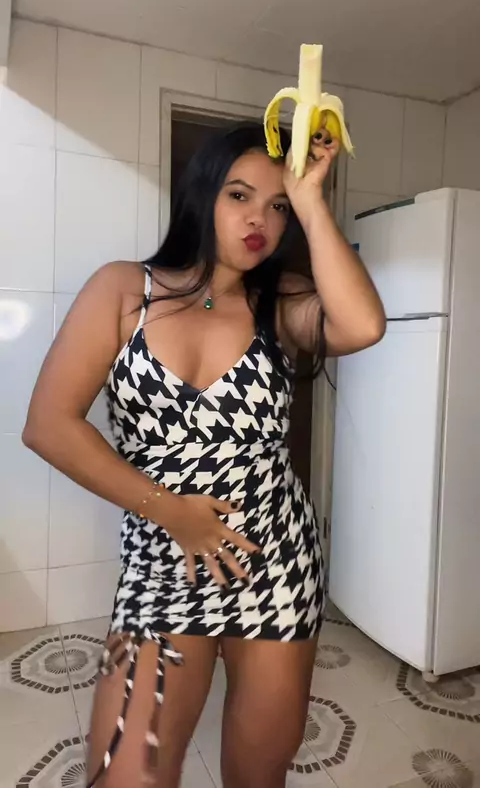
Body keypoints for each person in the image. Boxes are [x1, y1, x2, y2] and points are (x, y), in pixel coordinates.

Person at [23, 122, 385, 788]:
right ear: (202, 195)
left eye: (277, 206)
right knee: (125, 774)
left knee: (257, 774)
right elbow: (48, 424)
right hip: (162, 569)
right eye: (239, 195)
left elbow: (363, 325)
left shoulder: (281, 301)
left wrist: (311, 201)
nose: (259, 220)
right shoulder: (123, 289)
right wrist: (173, 512)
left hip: (277, 565)